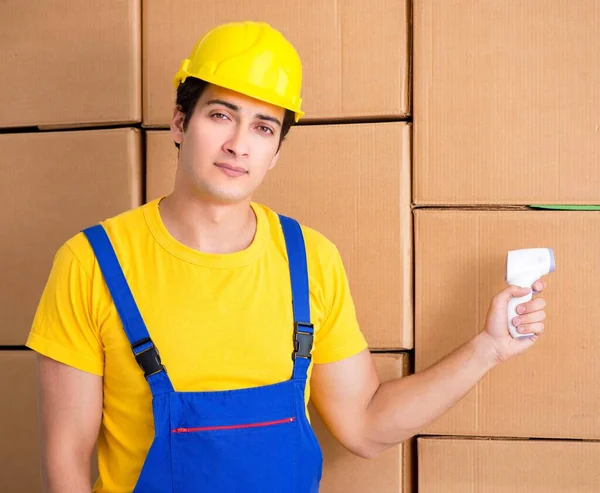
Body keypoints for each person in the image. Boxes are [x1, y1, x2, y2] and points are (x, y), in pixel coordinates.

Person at [26, 21, 549, 493]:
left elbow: (364, 426)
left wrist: (489, 348)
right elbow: (65, 462)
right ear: (180, 123)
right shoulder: (91, 263)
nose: (238, 144)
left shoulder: (310, 261)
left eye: (262, 127)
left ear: (276, 151)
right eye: (220, 115)